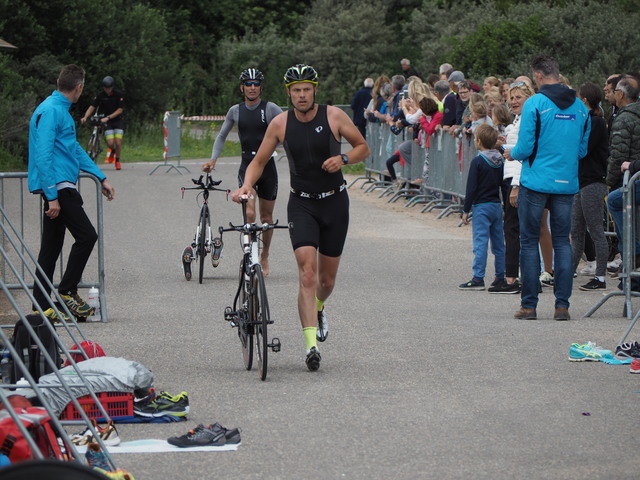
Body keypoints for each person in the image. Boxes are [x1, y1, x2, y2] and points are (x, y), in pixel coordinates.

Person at [231, 64, 370, 371]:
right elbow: (259, 160)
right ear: (289, 93)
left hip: (335, 203)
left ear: (314, 90)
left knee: (326, 280)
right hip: (302, 205)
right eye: (296, 90)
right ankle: (311, 346)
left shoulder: (334, 116)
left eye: (307, 89)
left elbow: (363, 147)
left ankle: (319, 307)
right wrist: (246, 185)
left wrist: (344, 157)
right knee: (307, 274)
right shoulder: (280, 123)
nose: (302, 95)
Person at [504, 55, 590, 321]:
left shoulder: (535, 104)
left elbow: (526, 147)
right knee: (562, 241)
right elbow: (582, 150)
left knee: (529, 242)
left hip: (536, 181)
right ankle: (562, 306)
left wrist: (511, 153)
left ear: (538, 76)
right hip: (566, 182)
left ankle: (529, 306)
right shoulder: (580, 108)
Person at [28, 64, 116, 322]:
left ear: (59, 81)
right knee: (87, 236)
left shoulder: (59, 111)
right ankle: (66, 291)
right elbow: (43, 156)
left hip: (61, 185)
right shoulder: (51, 111)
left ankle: (41, 307)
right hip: (59, 188)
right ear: (79, 87)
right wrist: (52, 196)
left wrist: (100, 176)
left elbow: (73, 150)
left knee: (51, 248)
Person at [201, 68, 283, 276]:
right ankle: (249, 254)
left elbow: (289, 131)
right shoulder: (235, 111)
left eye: (256, 84)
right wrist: (213, 159)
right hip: (247, 167)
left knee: (266, 217)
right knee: (249, 213)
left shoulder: (271, 108)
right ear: (242, 88)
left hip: (268, 168)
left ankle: (264, 256)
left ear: (261, 87)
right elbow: (221, 136)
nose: (252, 87)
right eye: (248, 84)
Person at [571, 82, 609, 291]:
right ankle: (568, 272)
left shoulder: (595, 122)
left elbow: (582, 150)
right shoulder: (588, 121)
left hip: (593, 182)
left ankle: (600, 277)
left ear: (584, 100)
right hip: (581, 181)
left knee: (595, 231)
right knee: (576, 231)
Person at [458, 124, 505, 291]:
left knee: (480, 243)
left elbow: (471, 188)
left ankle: (478, 277)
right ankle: (501, 275)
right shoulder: (500, 160)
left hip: (481, 206)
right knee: (499, 243)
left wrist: (465, 210)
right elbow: (503, 185)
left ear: (478, 141)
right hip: (496, 205)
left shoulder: (478, 161)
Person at [605, 76, 640, 265]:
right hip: (634, 175)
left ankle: (631, 258)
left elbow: (618, 155)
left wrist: (609, 181)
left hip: (628, 178)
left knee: (615, 202)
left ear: (620, 94)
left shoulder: (624, 118)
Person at [81, 76, 125, 170]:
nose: (107, 90)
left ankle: (117, 160)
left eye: (108, 88)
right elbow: (92, 106)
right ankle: (112, 151)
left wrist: (108, 117)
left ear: (112, 87)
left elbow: (120, 110)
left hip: (117, 120)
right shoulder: (101, 95)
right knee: (110, 143)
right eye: (105, 88)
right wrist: (85, 117)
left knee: (118, 141)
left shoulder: (118, 94)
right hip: (107, 122)